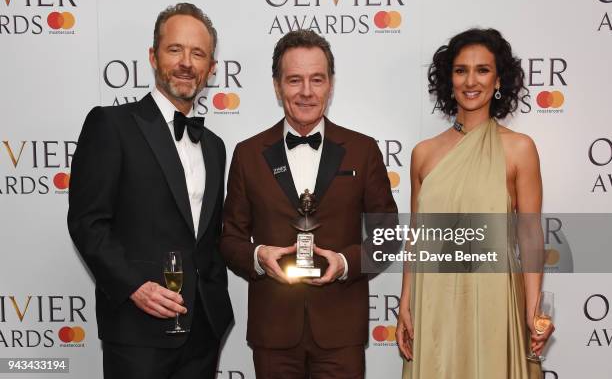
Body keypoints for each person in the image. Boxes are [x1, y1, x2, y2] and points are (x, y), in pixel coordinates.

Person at [67, 3, 233, 379]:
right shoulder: (111, 125)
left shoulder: (215, 146)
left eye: (198, 53)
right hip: (138, 329)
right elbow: (87, 222)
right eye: (175, 49)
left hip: (202, 331)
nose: (186, 63)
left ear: (211, 68)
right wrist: (134, 287)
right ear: (153, 57)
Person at [220, 29, 397, 379]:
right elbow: (230, 239)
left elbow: (387, 236)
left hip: (341, 332)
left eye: (317, 79)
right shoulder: (247, 154)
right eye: (294, 80)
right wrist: (258, 257)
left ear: (330, 84)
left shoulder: (363, 149)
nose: (306, 92)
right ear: (276, 85)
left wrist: (345, 262)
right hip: (273, 332)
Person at [396, 28, 554, 378]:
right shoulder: (423, 154)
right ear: (448, 80)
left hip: (494, 293)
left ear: (499, 80)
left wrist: (532, 308)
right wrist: (406, 301)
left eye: (482, 70)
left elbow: (529, 232)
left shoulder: (519, 148)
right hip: (434, 295)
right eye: (460, 70)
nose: (471, 80)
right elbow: (417, 235)